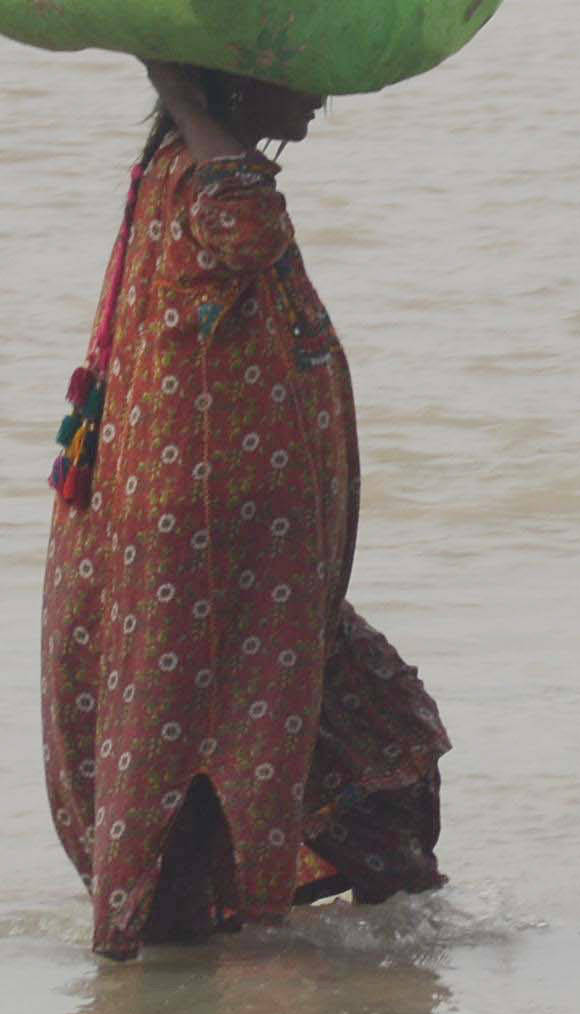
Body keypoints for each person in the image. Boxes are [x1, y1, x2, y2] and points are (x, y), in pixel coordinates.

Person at [35, 58, 448, 961]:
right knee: (211, 747)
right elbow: (248, 219)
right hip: (212, 571)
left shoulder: (173, 176)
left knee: (327, 736)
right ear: (230, 85)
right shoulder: (203, 181)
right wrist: (183, 95)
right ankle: (208, 977)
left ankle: (272, 964)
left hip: (245, 571)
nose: (318, 92)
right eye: (291, 72)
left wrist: (194, 105)